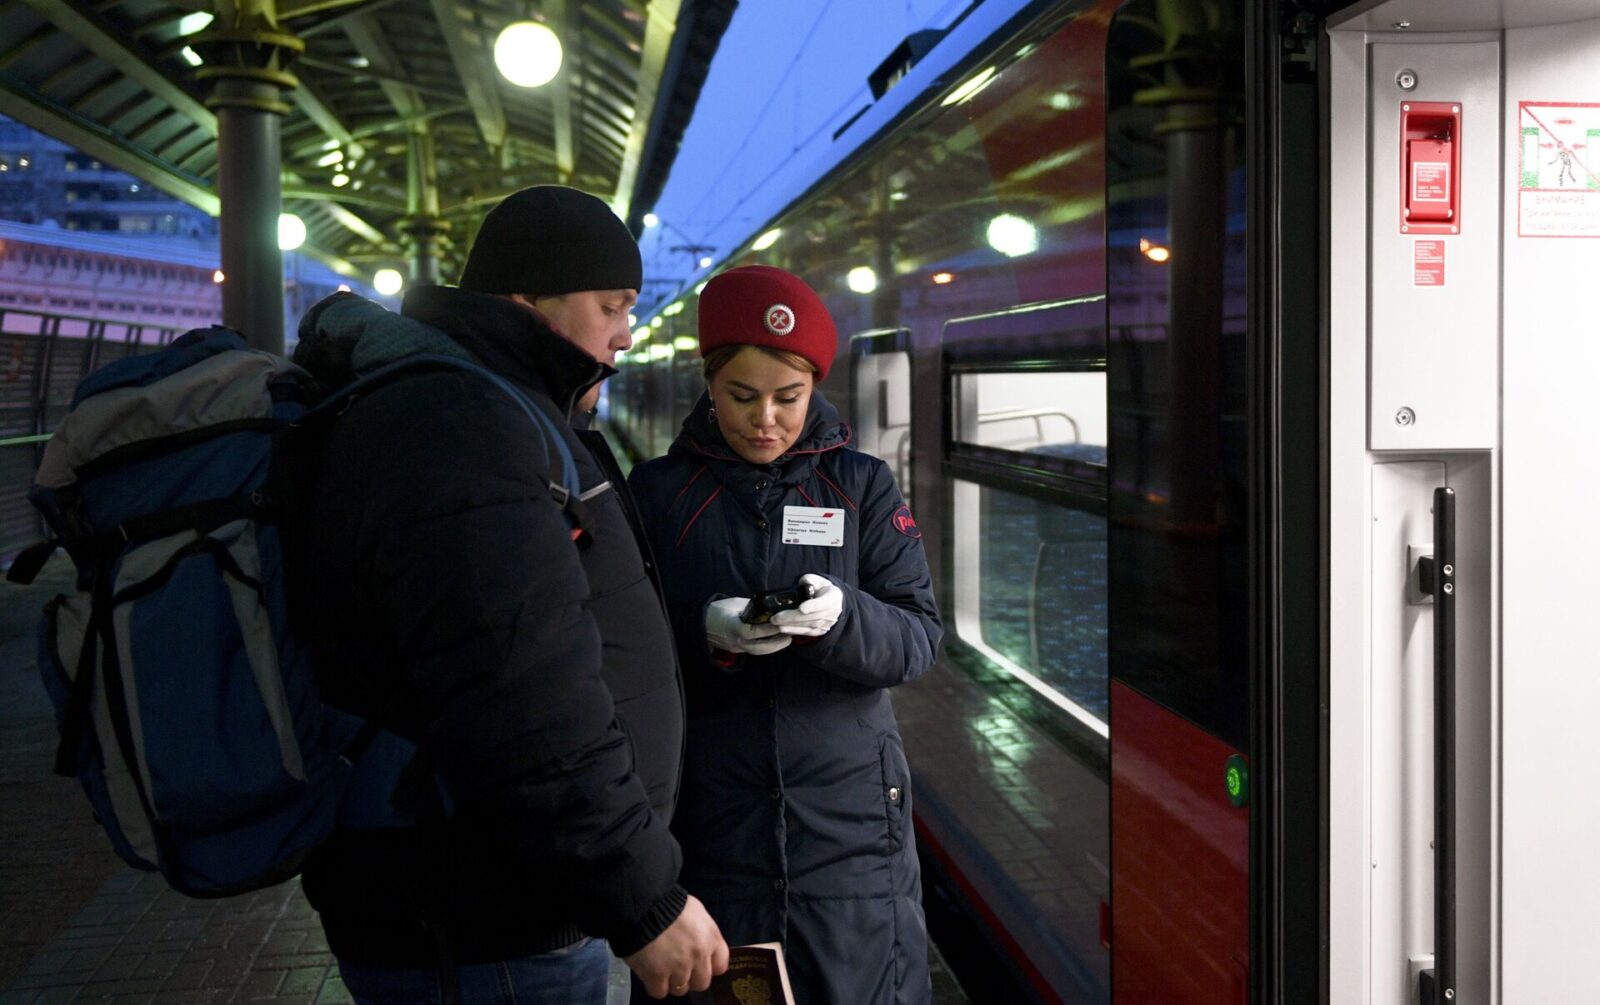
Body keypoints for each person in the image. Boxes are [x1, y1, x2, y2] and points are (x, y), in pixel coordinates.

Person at [289, 186, 728, 1003]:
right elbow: (521, 690)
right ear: (529, 299)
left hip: (490, 908)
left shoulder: (486, 405)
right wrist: (643, 900)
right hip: (480, 926)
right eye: (612, 306)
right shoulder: (461, 422)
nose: (625, 336)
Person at [626, 265, 943, 1004]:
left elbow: (919, 635)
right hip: (714, 827)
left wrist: (842, 617)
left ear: (814, 389)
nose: (765, 417)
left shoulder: (861, 485)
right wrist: (705, 629)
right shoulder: (660, 494)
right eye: (742, 395)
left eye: (788, 397)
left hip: (852, 836)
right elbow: (620, 649)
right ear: (708, 384)